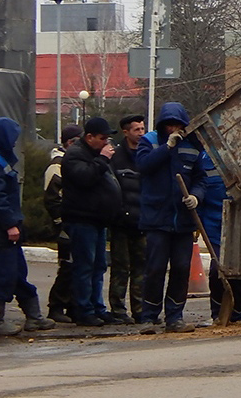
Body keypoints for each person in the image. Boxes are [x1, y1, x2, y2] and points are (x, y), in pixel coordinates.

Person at [0, 117, 55, 336]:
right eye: (12, 138)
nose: (14, 143)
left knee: (16, 273)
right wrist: (9, 224)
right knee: (3, 274)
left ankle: (33, 317)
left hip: (1, 231)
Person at [136, 102, 205, 333]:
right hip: (157, 219)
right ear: (162, 125)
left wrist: (196, 196)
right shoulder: (150, 141)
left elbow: (200, 178)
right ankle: (149, 317)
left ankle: (174, 317)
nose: (174, 128)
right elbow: (144, 166)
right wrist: (167, 148)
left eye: (178, 125)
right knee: (155, 268)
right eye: (169, 125)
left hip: (183, 221)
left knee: (181, 268)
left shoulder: (193, 146)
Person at [61, 117, 123, 327]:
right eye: (102, 138)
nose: (106, 143)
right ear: (89, 137)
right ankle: (83, 310)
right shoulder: (75, 155)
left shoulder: (96, 155)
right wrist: (103, 160)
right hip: (82, 219)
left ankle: (97, 307)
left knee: (98, 267)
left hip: (98, 220)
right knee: (84, 267)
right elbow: (85, 178)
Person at [198, 151, 241, 324]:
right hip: (213, 225)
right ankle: (218, 315)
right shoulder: (204, 159)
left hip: (240, 221)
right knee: (216, 271)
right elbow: (199, 187)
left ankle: (239, 315)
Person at [108, 114, 147, 324]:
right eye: (136, 130)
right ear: (126, 132)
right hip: (122, 223)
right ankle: (118, 310)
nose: (141, 133)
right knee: (121, 267)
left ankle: (140, 310)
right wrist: (119, 213)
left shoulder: (146, 154)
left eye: (142, 129)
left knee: (141, 268)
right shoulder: (116, 157)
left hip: (142, 221)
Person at [43, 124, 83, 323]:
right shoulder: (58, 165)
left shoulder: (74, 161)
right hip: (65, 225)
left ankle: (73, 305)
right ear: (70, 142)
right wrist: (61, 223)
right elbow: (52, 198)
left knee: (76, 266)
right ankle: (56, 305)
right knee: (67, 266)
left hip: (76, 222)